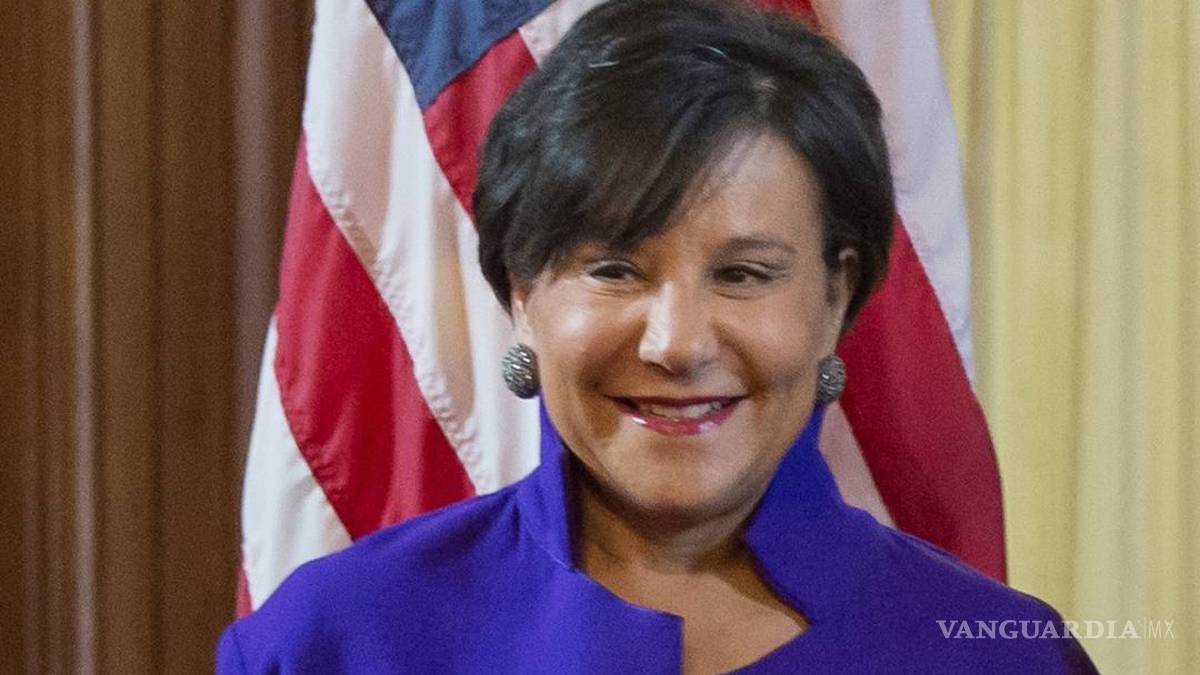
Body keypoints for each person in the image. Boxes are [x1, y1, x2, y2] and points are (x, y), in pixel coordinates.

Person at [218, 0, 1098, 672]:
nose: (677, 344)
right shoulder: (334, 639)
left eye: (744, 274)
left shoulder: (1000, 656)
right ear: (521, 292)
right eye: (615, 270)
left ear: (836, 295)